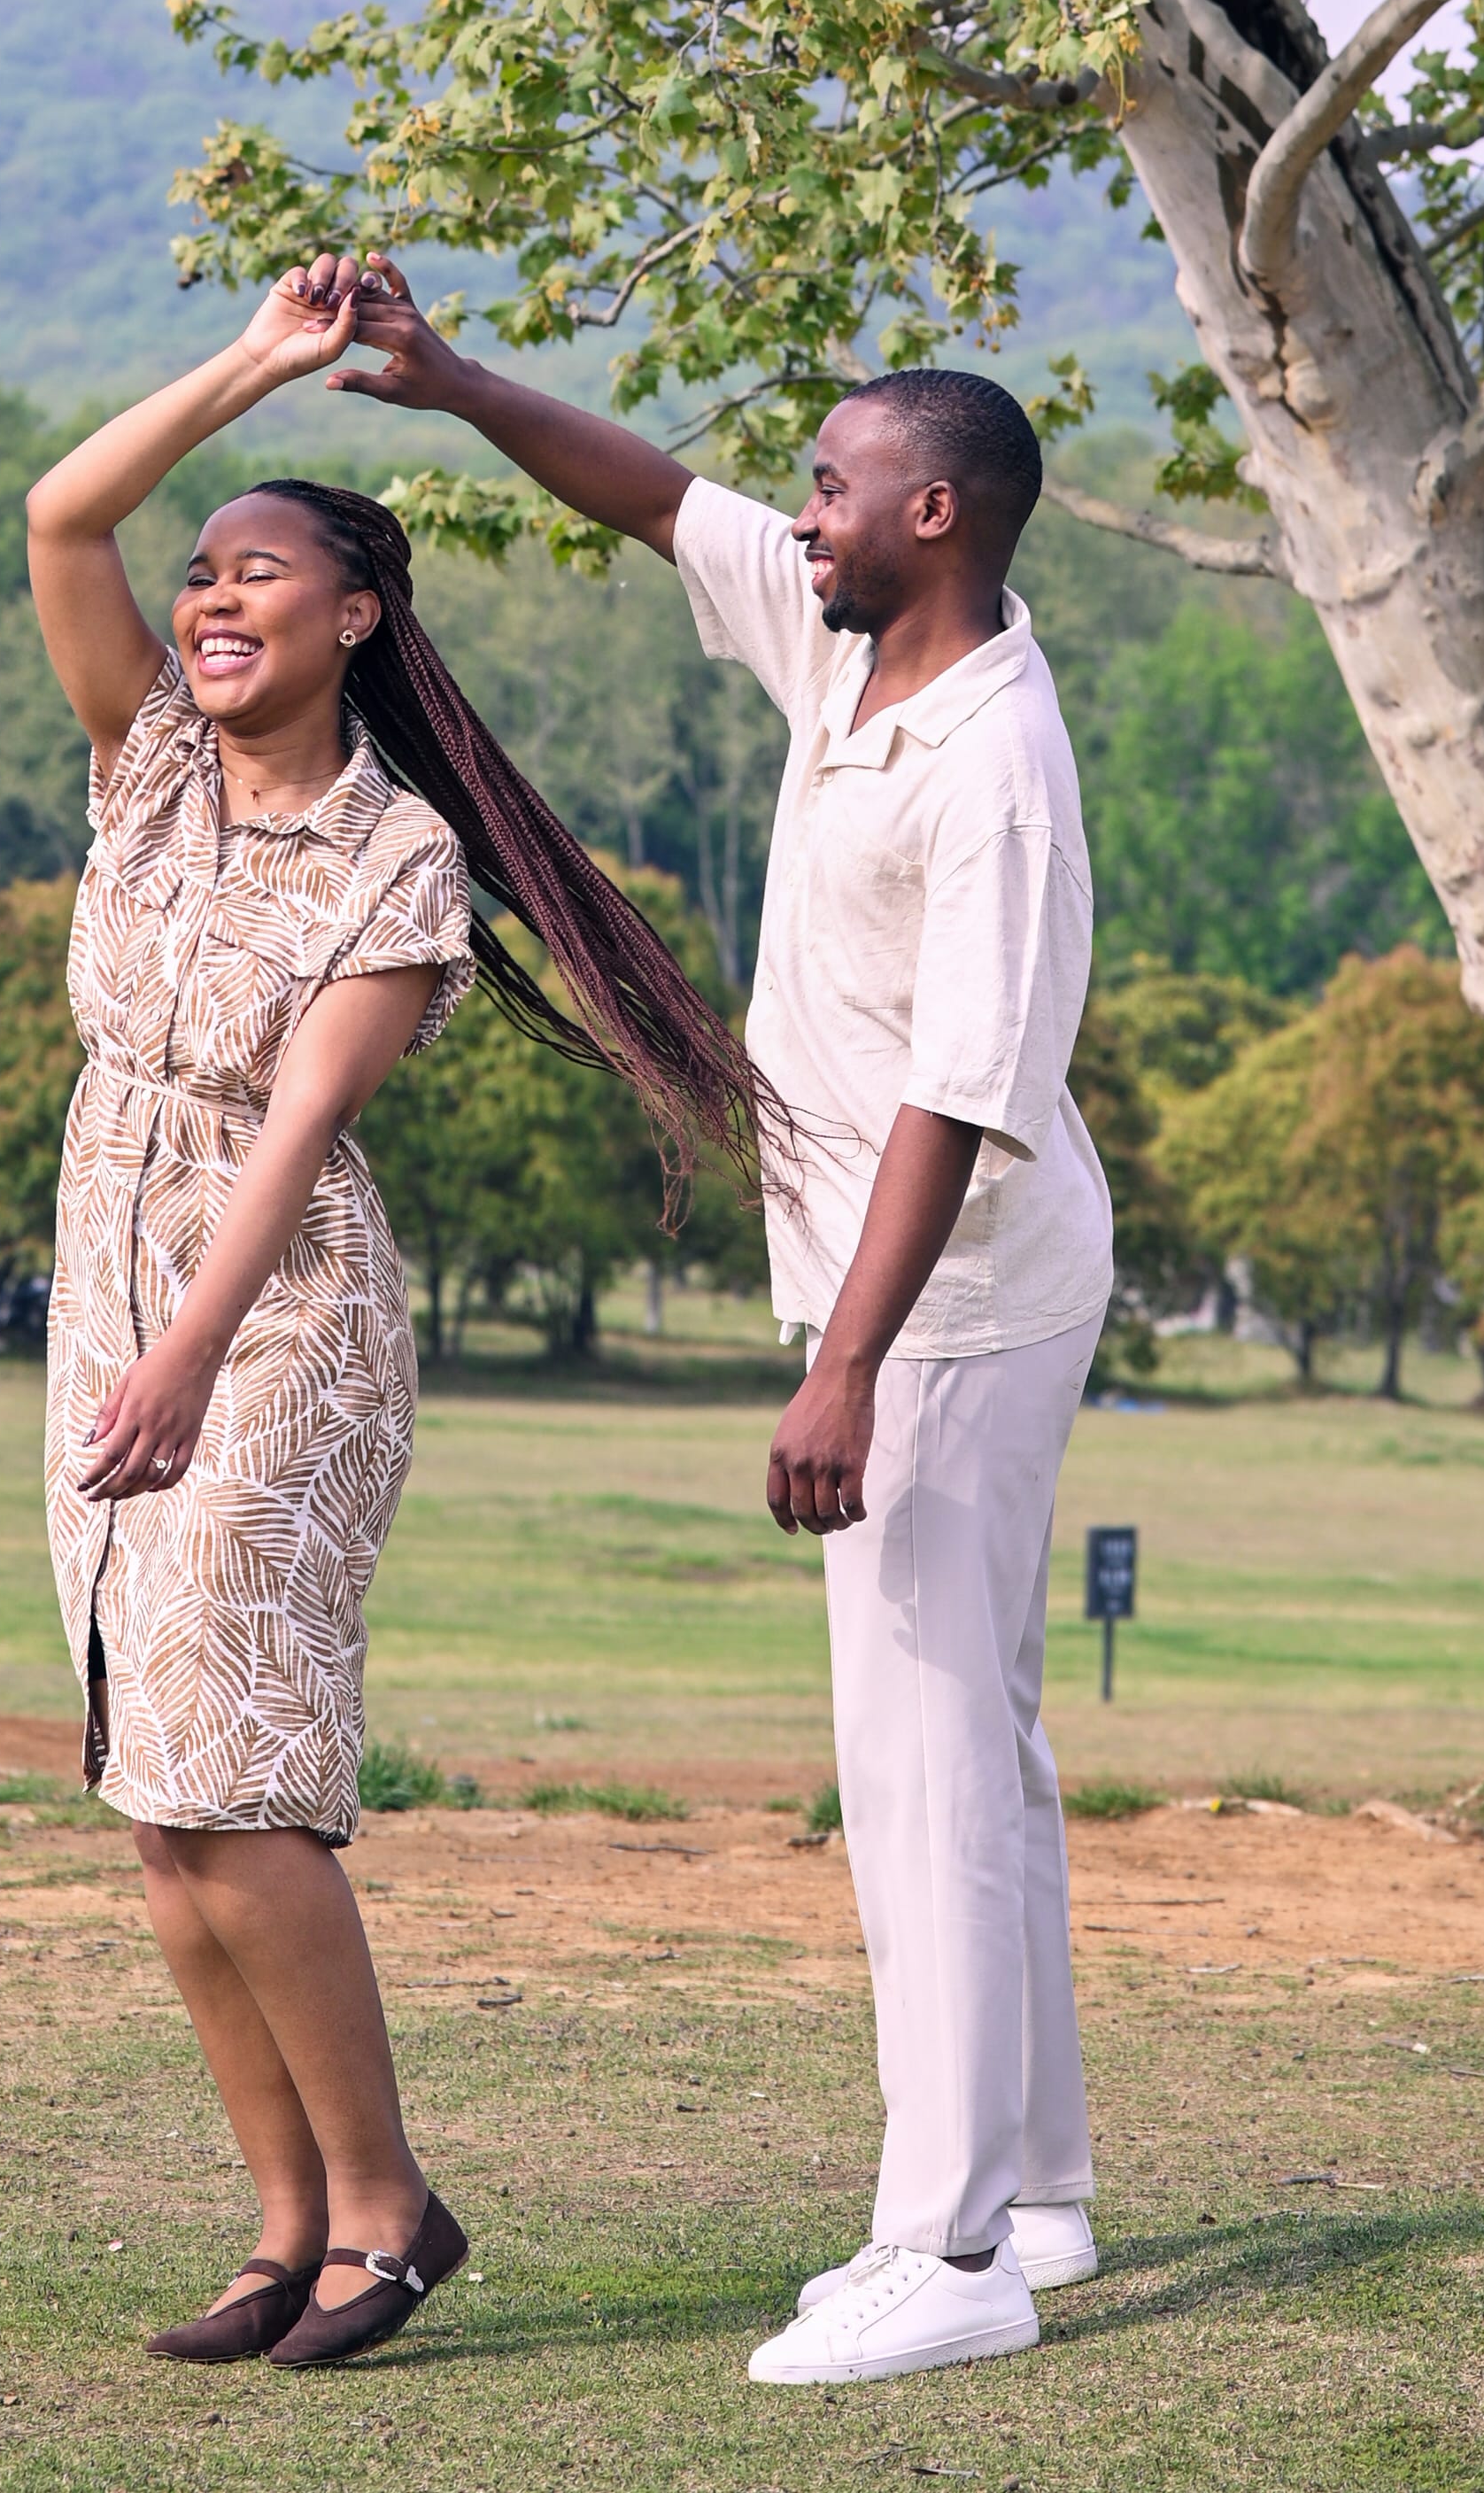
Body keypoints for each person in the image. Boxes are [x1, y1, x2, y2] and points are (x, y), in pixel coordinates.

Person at [333, 275, 1114, 2394]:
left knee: (923, 1765)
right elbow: (657, 501)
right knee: (983, 1748)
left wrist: (844, 1367)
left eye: (836, 484)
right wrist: (450, 381)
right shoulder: (854, 642)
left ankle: (942, 2249)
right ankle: (1036, 2187)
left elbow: (964, 1095)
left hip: (941, 1306)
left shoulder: (995, 763)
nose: (801, 510)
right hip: (899, 1292)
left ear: (932, 512)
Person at [23, 251, 770, 2373]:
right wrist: (256, 370)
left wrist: (186, 1358)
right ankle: (277, 2230)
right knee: (156, 1796)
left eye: (259, 571)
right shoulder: (146, 770)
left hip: (273, 1325)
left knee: (240, 1772)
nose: (209, 597)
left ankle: (388, 2204)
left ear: (357, 617)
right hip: (109, 1276)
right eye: (204, 578)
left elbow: (293, 1138)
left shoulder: (396, 861)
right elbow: (59, 516)